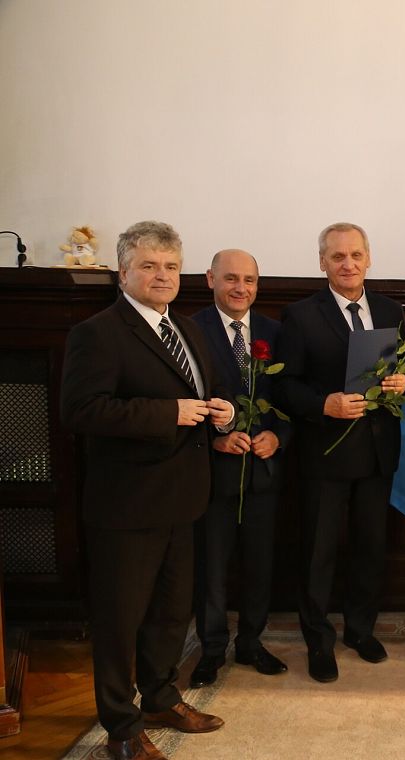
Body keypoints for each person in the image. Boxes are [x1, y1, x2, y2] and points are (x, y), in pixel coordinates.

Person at [60, 221, 231, 760]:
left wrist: (220, 412)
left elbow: (197, 396)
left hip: (184, 498)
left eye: (171, 266)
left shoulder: (188, 328)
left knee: (170, 614)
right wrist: (168, 414)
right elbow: (81, 411)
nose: (162, 276)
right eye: (149, 266)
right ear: (123, 272)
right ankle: (121, 727)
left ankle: (160, 698)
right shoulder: (98, 333)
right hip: (127, 506)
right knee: (119, 622)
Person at [275, 222, 405, 683]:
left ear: (368, 259)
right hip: (325, 453)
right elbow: (284, 385)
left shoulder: (391, 310)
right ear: (322, 263)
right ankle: (318, 639)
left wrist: (404, 381)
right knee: (319, 553)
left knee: (371, 548)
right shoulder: (300, 316)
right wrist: (323, 404)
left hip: (378, 452)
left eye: (355, 255)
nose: (348, 264)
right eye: (337, 256)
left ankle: (360, 630)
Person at [188, 249, 290, 688]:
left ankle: (250, 642)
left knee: (258, 566)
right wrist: (214, 440)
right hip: (213, 474)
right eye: (231, 278)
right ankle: (211, 650)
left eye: (249, 280)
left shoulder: (275, 332)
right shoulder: (190, 330)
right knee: (211, 570)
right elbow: (180, 397)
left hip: (263, 472)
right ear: (211, 279)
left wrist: (279, 436)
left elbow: (290, 397)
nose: (240, 288)